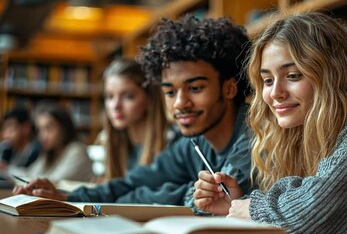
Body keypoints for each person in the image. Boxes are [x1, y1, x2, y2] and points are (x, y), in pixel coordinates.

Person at [193, 12, 347, 232]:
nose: (275, 93)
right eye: (267, 80)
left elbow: (313, 208)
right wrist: (235, 204)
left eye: (293, 76)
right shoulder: (301, 128)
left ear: (333, 74)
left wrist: (253, 209)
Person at [13, 15, 253, 214]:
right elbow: (137, 181)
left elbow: (216, 197)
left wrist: (186, 193)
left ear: (229, 88)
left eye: (195, 88)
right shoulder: (194, 143)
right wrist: (68, 196)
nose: (180, 103)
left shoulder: (255, 134)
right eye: (169, 92)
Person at [99, 57, 179, 179]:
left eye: (128, 96)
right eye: (109, 97)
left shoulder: (173, 141)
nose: (115, 106)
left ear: (150, 98)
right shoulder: (111, 141)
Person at [12, 102, 93, 182]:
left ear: (64, 128)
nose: (42, 136)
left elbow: (53, 182)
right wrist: (6, 169)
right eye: (40, 130)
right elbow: (29, 174)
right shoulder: (50, 153)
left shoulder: (77, 151)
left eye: (49, 128)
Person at [0, 106, 41, 171]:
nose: (6, 135)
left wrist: (7, 168)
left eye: (11, 129)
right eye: (4, 130)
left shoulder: (37, 151)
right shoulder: (7, 148)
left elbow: (30, 174)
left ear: (26, 128)